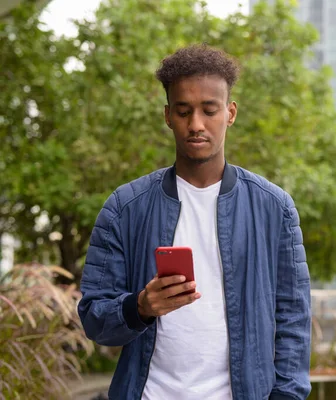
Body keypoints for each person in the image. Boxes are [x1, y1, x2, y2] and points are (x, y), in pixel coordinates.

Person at [78, 44, 312, 400]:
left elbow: (293, 320)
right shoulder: (125, 208)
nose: (196, 124)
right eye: (184, 111)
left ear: (230, 113)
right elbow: (94, 318)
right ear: (168, 115)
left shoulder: (274, 208)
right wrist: (139, 308)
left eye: (209, 110)